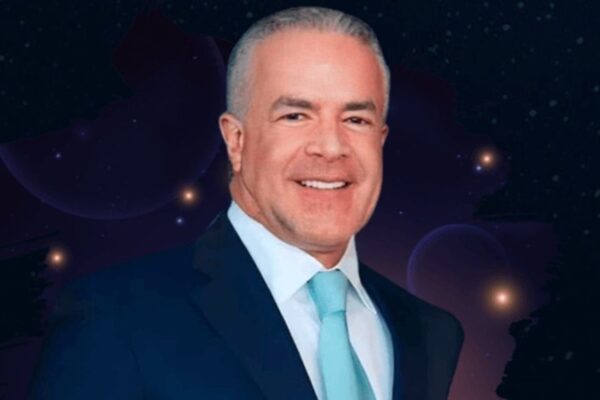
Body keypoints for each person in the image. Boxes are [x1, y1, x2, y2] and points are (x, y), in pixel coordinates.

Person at [30, 6, 463, 400]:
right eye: (295, 115)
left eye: (356, 119)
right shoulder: (114, 316)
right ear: (236, 141)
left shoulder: (429, 332)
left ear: (380, 139)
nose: (332, 147)